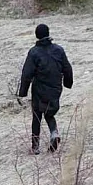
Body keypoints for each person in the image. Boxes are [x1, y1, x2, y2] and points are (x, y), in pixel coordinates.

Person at [17, 24, 73, 154]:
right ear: (48, 34)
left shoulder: (34, 52)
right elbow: (67, 68)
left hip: (39, 88)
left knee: (37, 115)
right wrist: (67, 83)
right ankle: (54, 133)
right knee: (49, 112)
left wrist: (23, 92)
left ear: (37, 35)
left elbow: (27, 73)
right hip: (55, 87)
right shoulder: (59, 50)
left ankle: (35, 147)